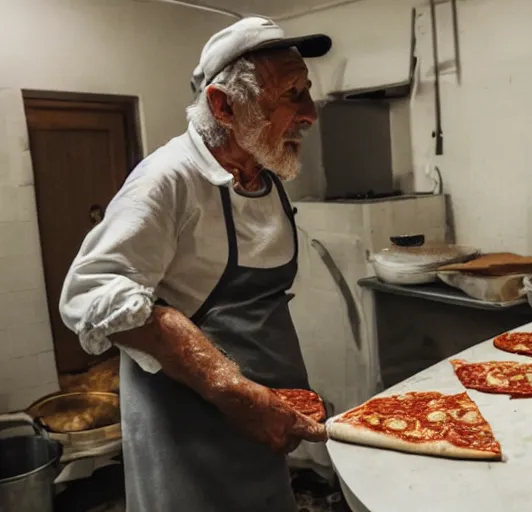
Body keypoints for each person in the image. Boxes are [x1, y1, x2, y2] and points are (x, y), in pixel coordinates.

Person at [59, 16, 332, 511]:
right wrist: (229, 386)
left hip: (261, 427)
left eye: (307, 91)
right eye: (292, 94)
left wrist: (258, 401)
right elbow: (89, 292)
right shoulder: (167, 180)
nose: (310, 113)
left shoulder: (265, 173)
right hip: (188, 437)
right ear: (224, 105)